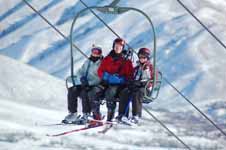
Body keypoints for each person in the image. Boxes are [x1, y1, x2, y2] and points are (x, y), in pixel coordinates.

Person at [62, 46, 103, 124]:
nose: (95, 54)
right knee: (72, 90)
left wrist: (89, 83)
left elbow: (100, 78)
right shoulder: (88, 61)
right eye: (93, 51)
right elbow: (80, 71)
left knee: (85, 92)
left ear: (100, 54)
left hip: (94, 84)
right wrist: (82, 78)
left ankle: (86, 114)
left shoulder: (101, 63)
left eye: (97, 52)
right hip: (84, 83)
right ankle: (72, 113)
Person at [97, 38, 134, 122]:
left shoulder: (126, 61)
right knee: (98, 92)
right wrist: (107, 77)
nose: (118, 48)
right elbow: (100, 70)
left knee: (111, 92)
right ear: (113, 46)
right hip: (108, 82)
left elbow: (130, 75)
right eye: (116, 46)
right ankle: (100, 114)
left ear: (122, 48)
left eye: (120, 47)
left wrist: (120, 79)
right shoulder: (108, 58)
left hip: (120, 85)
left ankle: (115, 114)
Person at [118, 48, 155, 124]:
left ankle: (136, 116)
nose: (141, 58)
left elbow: (151, 80)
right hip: (136, 87)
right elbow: (132, 76)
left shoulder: (149, 67)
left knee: (137, 93)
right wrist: (130, 82)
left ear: (147, 58)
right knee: (124, 92)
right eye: (140, 56)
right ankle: (123, 115)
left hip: (145, 89)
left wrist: (140, 83)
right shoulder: (137, 68)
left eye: (144, 57)